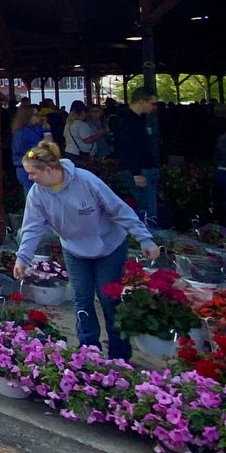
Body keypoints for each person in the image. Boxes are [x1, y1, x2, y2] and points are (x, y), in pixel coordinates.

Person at [14, 139, 160, 361]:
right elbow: (32, 228)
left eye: (33, 173)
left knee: (108, 298)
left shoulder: (86, 181)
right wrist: (23, 258)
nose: (29, 178)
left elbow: (118, 209)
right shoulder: (37, 193)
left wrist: (144, 238)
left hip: (109, 246)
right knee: (81, 298)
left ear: (50, 169)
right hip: (74, 250)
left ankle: (119, 356)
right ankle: (88, 352)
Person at [114, 87, 161, 225]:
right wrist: (136, 172)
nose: (154, 107)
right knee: (148, 207)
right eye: (152, 103)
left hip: (139, 168)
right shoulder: (129, 122)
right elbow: (128, 148)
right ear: (141, 101)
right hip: (139, 169)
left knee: (145, 206)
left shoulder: (132, 119)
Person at [10, 105, 47, 196]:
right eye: (36, 115)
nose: (39, 117)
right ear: (27, 117)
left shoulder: (37, 128)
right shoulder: (21, 133)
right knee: (33, 195)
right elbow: (24, 151)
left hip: (36, 164)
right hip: (26, 167)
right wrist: (37, 153)